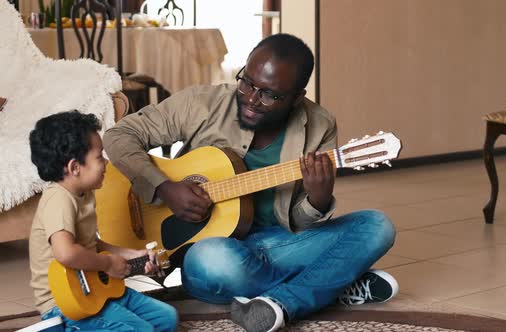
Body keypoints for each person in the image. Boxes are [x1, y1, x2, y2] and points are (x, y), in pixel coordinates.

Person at [104, 33, 397, 332]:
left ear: (297, 97)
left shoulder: (320, 125)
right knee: (213, 260)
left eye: (269, 94)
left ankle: (285, 300)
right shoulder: (202, 103)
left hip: (276, 244)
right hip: (212, 250)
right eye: (246, 82)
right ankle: (329, 284)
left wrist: (317, 200)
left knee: (377, 226)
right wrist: (164, 187)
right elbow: (118, 136)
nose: (251, 99)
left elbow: (300, 223)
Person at [28, 111, 178, 331]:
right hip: (67, 304)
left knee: (167, 319)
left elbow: (88, 244)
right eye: (99, 156)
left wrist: (130, 255)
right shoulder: (58, 199)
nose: (107, 162)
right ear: (74, 167)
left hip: (96, 290)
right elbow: (67, 253)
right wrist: (108, 264)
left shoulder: (85, 193)